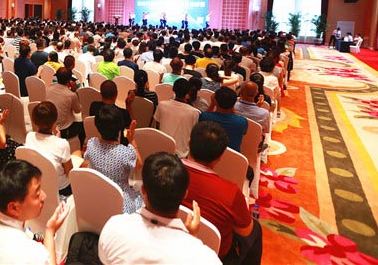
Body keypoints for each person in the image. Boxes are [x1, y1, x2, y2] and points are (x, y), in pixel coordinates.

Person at [98, 152, 220, 265]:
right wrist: (192, 239)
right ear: (184, 195)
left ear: (143, 190)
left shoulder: (114, 227)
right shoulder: (206, 258)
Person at [182, 121, 262, 264]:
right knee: (255, 229)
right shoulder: (231, 192)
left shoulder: (166, 173)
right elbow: (245, 232)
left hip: (170, 242)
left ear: (189, 142)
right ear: (220, 158)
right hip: (216, 256)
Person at [82, 106, 143, 213]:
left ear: (97, 126)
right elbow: (139, 165)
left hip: (97, 196)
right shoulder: (125, 152)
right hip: (120, 201)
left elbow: (85, 159)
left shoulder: (91, 143)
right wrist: (131, 139)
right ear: (120, 127)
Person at [25, 101, 73, 196]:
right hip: (61, 188)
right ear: (55, 120)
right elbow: (69, 172)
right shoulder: (62, 144)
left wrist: (56, 139)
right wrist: (58, 140)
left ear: (34, 121)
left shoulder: (29, 136)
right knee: (78, 154)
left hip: (39, 184)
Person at [153, 78, 200, 158]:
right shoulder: (195, 112)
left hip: (161, 151)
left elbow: (157, 126)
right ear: (188, 92)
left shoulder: (162, 105)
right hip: (182, 155)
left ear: (173, 89)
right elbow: (194, 135)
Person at [199, 86, 247, 153]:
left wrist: (212, 104)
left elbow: (205, 115)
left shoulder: (205, 117)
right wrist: (231, 104)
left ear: (215, 101)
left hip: (209, 155)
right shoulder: (242, 122)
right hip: (233, 157)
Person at [46, 68, 84, 146]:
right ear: (69, 79)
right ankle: (80, 149)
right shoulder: (71, 95)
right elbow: (77, 111)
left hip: (50, 126)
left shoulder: (48, 88)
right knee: (84, 126)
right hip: (65, 130)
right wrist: (74, 91)